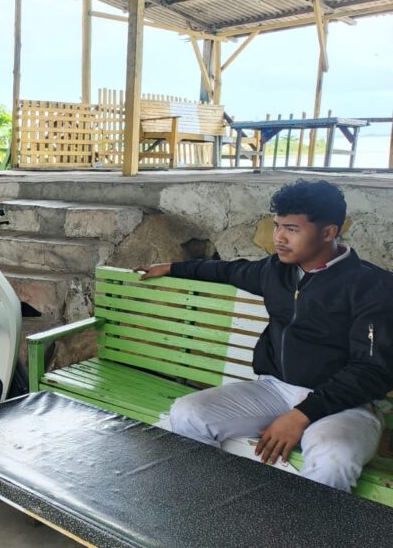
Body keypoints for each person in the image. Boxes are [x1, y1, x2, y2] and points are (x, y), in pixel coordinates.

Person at [137, 180, 392, 493]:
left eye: (292, 229)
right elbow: (226, 271)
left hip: (347, 406)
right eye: (277, 226)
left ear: (328, 232)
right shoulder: (276, 271)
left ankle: (303, 524)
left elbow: (371, 370)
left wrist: (301, 415)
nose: (279, 238)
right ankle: (211, 503)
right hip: (275, 390)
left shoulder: (374, 287)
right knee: (187, 414)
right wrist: (172, 267)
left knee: (333, 460)